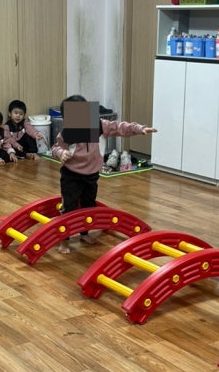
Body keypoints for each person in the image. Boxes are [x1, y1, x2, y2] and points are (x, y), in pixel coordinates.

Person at [51, 95, 157, 254]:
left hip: (91, 175)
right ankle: (64, 241)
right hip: (71, 175)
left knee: (89, 206)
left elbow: (119, 127)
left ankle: (84, 233)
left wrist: (138, 129)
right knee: (69, 208)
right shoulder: (67, 133)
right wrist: (61, 153)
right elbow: (55, 148)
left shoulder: (99, 126)